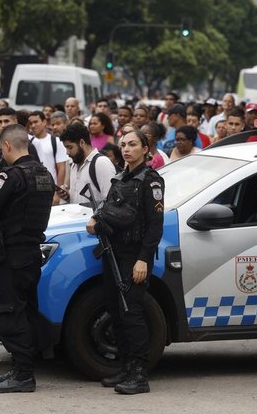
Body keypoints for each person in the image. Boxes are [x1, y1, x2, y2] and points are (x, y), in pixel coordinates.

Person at [0, 124, 55, 393]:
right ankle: (22, 367)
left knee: (10, 313)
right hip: (31, 253)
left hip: (10, 255)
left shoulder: (10, 176)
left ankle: (23, 374)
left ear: (7, 146)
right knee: (26, 311)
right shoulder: (44, 174)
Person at [86, 128, 164, 395]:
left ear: (145, 148)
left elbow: (155, 227)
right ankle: (126, 367)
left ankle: (140, 374)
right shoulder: (120, 178)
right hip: (113, 253)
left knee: (132, 313)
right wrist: (96, 220)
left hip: (134, 256)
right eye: (123, 145)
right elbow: (108, 207)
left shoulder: (150, 180)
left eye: (132, 144)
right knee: (115, 310)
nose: (126, 149)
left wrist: (143, 260)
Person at [58, 123, 117, 205]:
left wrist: (96, 217)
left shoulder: (101, 163)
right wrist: (68, 196)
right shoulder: (75, 165)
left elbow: (111, 201)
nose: (67, 153)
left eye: (70, 147)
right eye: (66, 148)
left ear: (82, 142)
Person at [29, 111, 67, 197]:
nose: (33, 126)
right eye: (31, 123)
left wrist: (57, 193)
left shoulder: (56, 141)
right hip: (34, 191)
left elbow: (61, 168)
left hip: (52, 189)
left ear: (44, 122)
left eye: (36, 122)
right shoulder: (29, 142)